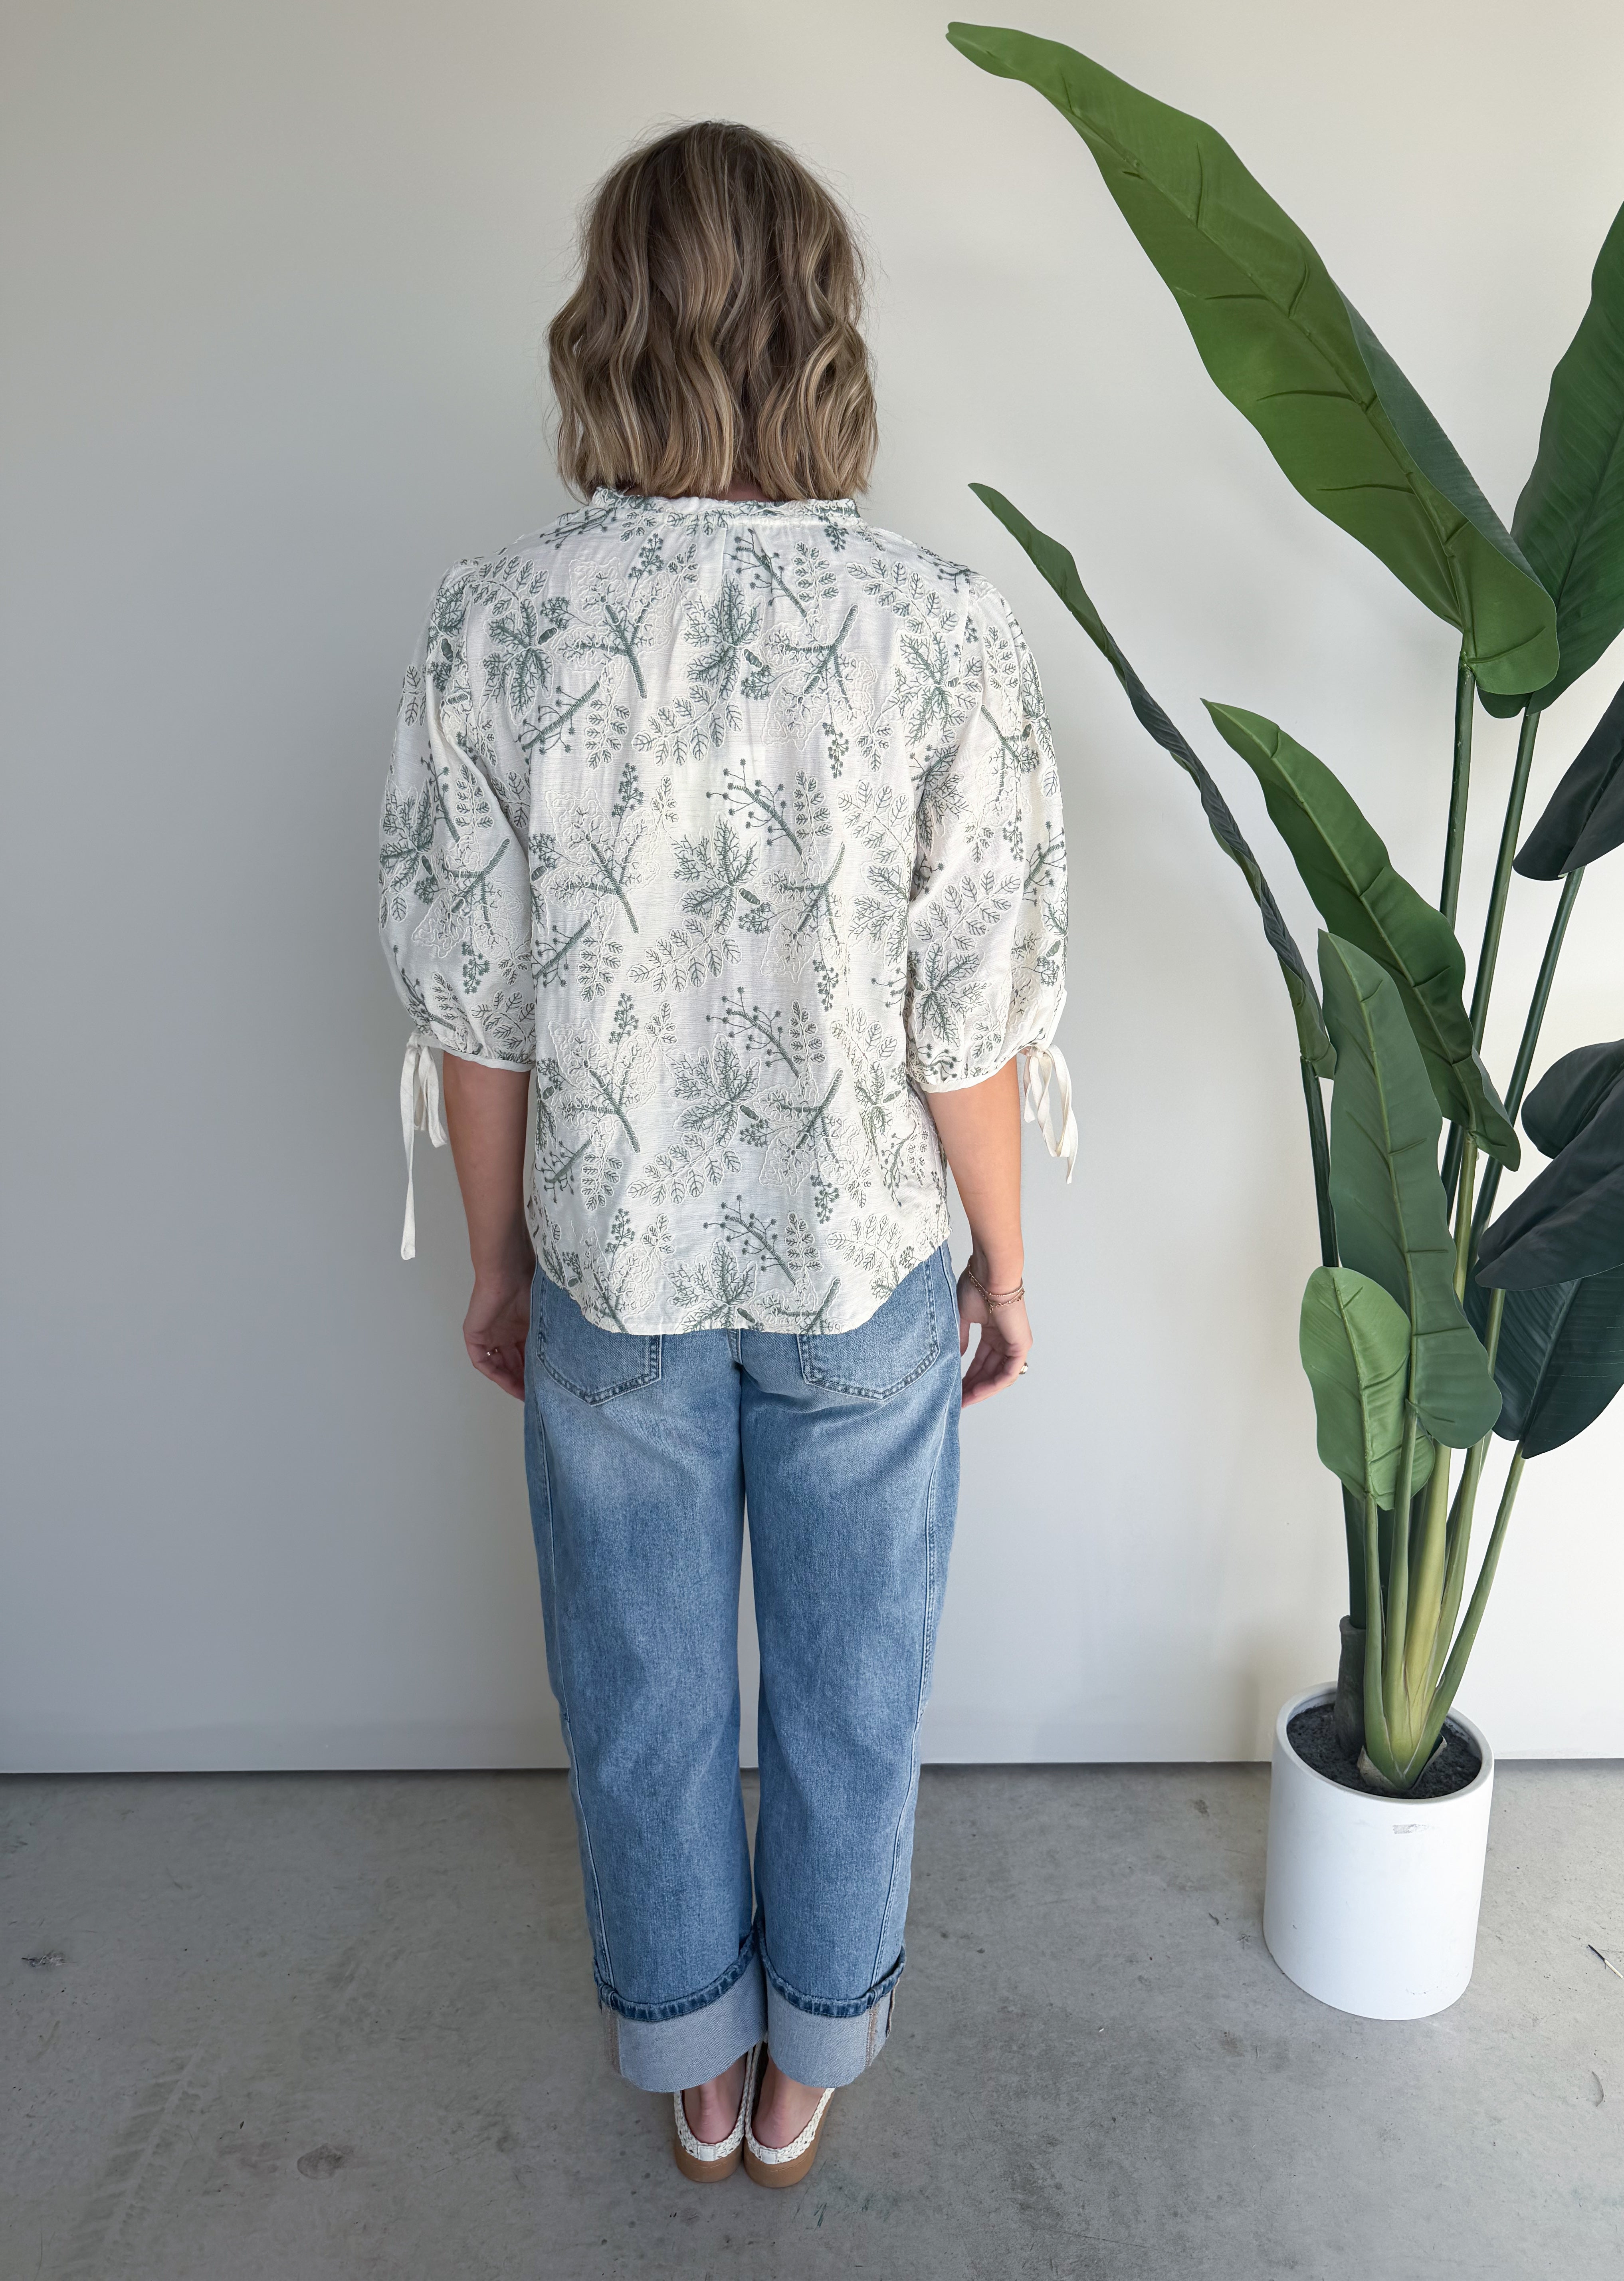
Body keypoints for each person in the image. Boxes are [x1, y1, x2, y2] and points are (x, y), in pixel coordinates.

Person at [378, 118, 1073, 2189]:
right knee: (857, 1687)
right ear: (820, 325)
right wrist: (1003, 1262)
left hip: (615, 1262)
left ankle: (689, 2044)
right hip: (862, 1264)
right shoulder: (938, 626)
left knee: (642, 1688)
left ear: (606, 324)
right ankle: (808, 2057)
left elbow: (479, 1008)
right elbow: (971, 1015)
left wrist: (499, 1261)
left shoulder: (498, 627)